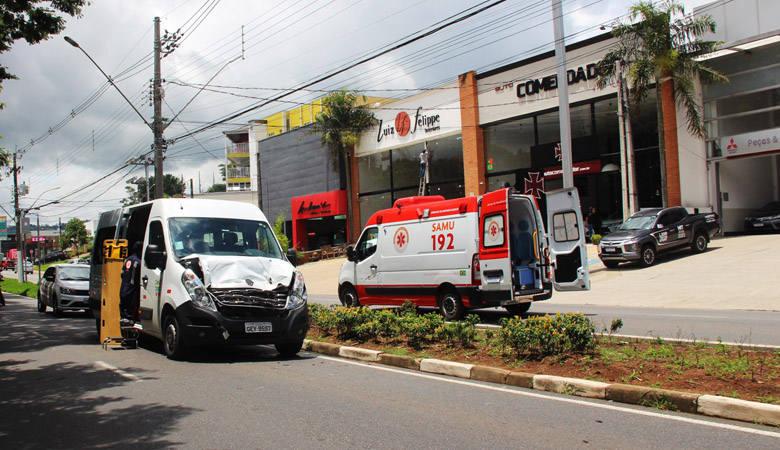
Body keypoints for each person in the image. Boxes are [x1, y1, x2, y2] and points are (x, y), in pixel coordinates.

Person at [119, 241, 142, 326]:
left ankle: (124, 322)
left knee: (124, 308)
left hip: (124, 287)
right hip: (132, 290)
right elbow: (138, 277)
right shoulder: (138, 262)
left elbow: (122, 273)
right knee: (131, 312)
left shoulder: (127, 260)